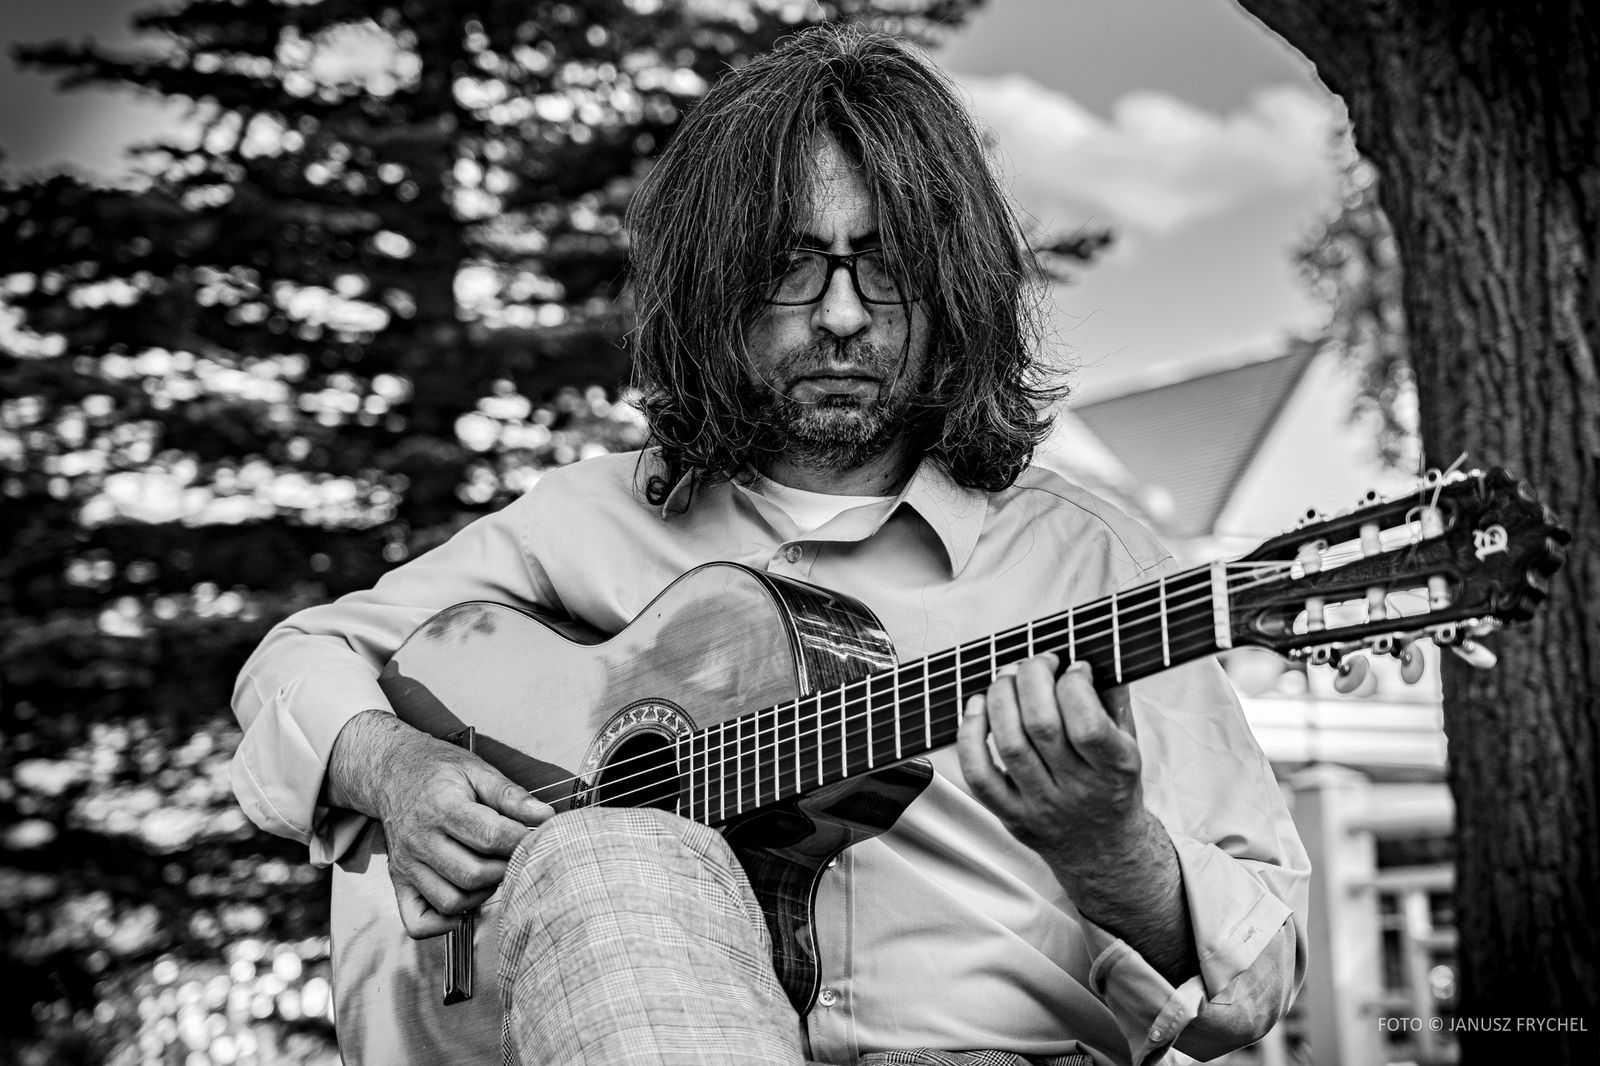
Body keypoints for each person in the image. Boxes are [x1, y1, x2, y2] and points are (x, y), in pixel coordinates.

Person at [230, 24, 1308, 1066]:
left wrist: (1108, 846)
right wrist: (399, 768)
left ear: (954, 288)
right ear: (713, 285)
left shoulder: (1095, 566)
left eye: (887, 265)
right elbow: (298, 660)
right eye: (792, 264)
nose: (840, 315)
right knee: (610, 849)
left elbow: (1259, 979)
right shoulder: (583, 521)